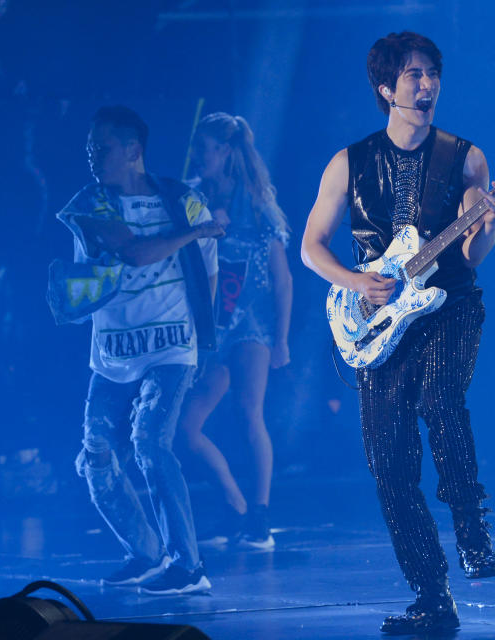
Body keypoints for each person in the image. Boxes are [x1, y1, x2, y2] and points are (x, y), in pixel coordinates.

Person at [300, 32, 495, 635]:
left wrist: (489, 223)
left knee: (441, 399)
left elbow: (473, 255)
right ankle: (431, 596)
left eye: (432, 75)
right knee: (389, 463)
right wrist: (355, 279)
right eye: (414, 75)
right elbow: (310, 246)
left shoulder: (466, 158)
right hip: (378, 319)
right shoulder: (350, 161)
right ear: (386, 88)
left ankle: (473, 533)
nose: (427, 85)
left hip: (448, 305)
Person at [50, 106, 222, 595]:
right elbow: (133, 252)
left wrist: (198, 337)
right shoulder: (91, 203)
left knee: (150, 441)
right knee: (98, 452)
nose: (92, 157)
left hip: (170, 347)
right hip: (112, 351)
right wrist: (193, 233)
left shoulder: (184, 201)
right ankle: (145, 552)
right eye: (89, 149)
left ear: (133, 151)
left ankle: (188, 566)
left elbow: (207, 273)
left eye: (100, 148)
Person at [177, 112, 292, 550]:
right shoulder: (191, 198)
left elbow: (282, 279)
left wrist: (280, 338)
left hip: (251, 325)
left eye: (203, 148)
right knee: (186, 428)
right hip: (208, 329)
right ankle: (234, 505)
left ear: (225, 152)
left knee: (249, 414)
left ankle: (258, 517)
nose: (196, 156)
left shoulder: (256, 203)